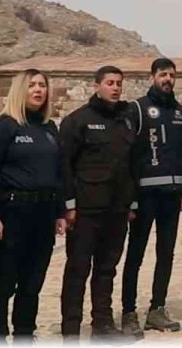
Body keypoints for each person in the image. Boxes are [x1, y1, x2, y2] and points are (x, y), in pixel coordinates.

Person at [0, 68, 67, 343]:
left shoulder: (49, 129)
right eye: (32, 85)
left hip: (42, 215)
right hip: (12, 214)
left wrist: (59, 213)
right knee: (4, 280)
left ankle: (24, 333)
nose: (38, 90)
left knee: (32, 282)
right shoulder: (4, 127)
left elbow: (56, 175)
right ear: (20, 90)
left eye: (42, 85)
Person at [58, 66, 138, 341]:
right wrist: (68, 205)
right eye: (109, 83)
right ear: (97, 85)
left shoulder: (126, 121)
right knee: (78, 270)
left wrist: (132, 204)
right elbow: (64, 165)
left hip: (116, 211)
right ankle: (70, 330)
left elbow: (131, 165)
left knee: (107, 269)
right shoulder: (77, 121)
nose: (115, 88)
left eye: (118, 83)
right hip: (85, 211)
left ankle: (102, 325)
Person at [122, 57, 182, 336]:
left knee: (166, 253)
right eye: (163, 74)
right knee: (136, 254)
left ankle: (157, 309)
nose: (168, 80)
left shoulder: (179, 111)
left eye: (172, 75)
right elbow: (127, 157)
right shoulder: (137, 109)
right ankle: (128, 311)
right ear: (152, 77)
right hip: (144, 196)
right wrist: (129, 197)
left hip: (172, 196)